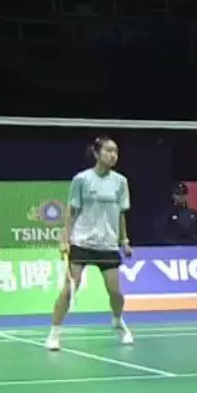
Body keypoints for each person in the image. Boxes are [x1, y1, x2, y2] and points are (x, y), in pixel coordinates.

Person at [46, 136, 134, 351]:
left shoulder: (121, 182)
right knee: (69, 289)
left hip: (108, 245)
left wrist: (124, 240)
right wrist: (65, 238)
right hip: (82, 242)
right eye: (108, 151)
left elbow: (121, 213)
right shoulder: (81, 179)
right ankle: (54, 333)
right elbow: (71, 211)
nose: (113, 155)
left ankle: (117, 319)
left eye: (116, 151)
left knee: (115, 293)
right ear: (96, 153)